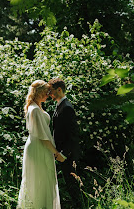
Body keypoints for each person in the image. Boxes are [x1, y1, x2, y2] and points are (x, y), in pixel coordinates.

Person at [17, 80, 63, 209]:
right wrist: (56, 152)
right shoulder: (35, 110)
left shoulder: (36, 107)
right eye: (46, 92)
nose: (48, 95)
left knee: (42, 180)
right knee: (38, 180)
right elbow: (42, 136)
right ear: (39, 92)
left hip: (39, 146)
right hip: (38, 147)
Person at [48, 78, 81, 208]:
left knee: (73, 186)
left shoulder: (67, 107)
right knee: (69, 184)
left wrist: (64, 154)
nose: (49, 94)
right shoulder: (60, 105)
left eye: (51, 91)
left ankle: (79, 206)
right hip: (61, 153)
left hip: (68, 154)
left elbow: (73, 134)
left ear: (59, 90)